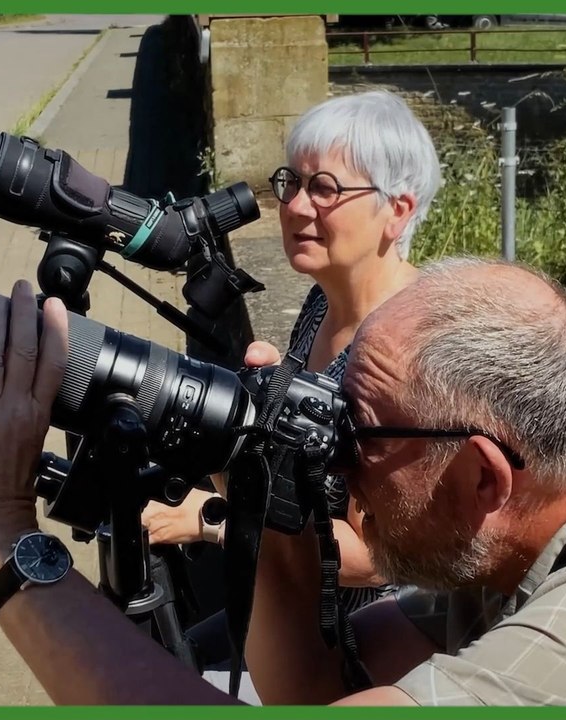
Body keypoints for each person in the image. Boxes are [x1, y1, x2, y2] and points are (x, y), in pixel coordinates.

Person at [0, 261, 566, 706]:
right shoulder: (561, 513)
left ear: (481, 476)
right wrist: (270, 495)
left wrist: (2, 543)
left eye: (357, 432)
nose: (338, 456)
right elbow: (314, 688)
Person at [141, 89, 443, 623]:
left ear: (396, 212)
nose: (298, 206)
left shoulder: (407, 352)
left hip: (368, 638)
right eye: (293, 183)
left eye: (325, 189)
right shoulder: (323, 296)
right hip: (294, 604)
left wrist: (213, 520)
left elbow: (378, 558)